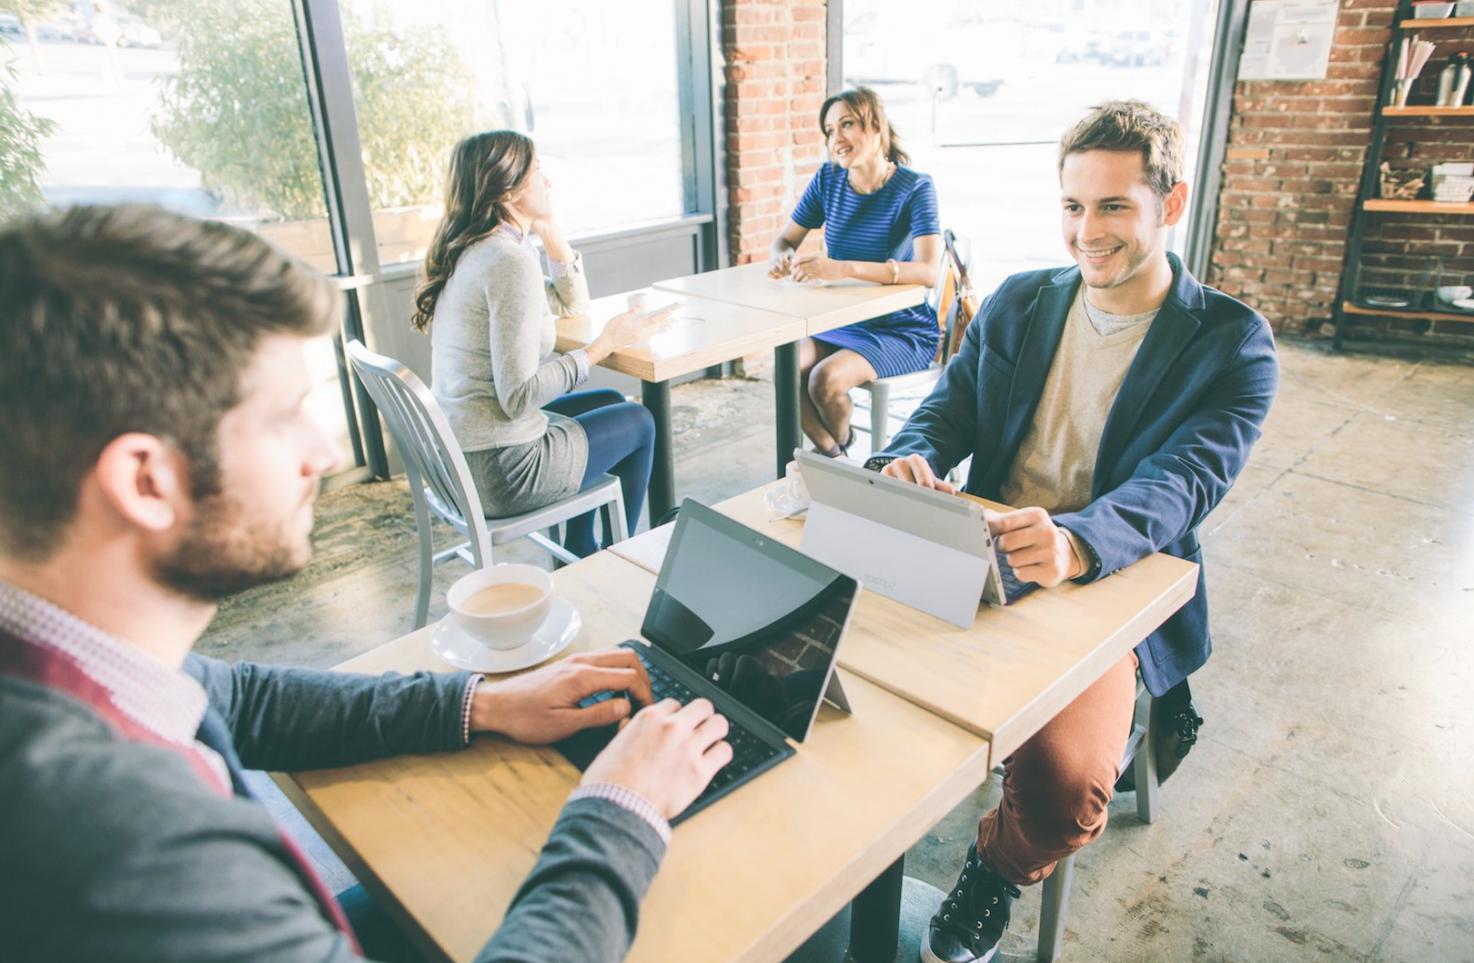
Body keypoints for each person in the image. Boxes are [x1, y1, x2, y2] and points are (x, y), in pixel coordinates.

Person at [0, 204, 732, 963]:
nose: (320, 451)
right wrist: (622, 805)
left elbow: (240, 698)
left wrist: (484, 702)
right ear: (146, 480)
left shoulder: (72, 654)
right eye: (285, 418)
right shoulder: (120, 843)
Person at [863, 101, 1280, 963]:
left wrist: (1077, 541)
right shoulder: (1022, 301)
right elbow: (945, 413)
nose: (1087, 232)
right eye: (1072, 206)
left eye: (1114, 206)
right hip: (979, 555)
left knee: (1062, 790)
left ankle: (998, 867)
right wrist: (907, 457)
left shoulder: (1233, 345)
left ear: (1172, 201)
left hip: (1106, 586)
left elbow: (1183, 485)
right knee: (831, 679)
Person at [413, 131, 674, 556]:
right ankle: (611, 561)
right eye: (537, 171)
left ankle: (580, 552)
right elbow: (518, 396)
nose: (548, 181)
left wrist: (553, 235)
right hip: (502, 472)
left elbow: (573, 305)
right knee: (640, 422)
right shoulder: (507, 262)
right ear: (508, 189)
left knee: (606, 398)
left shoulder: (479, 250)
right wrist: (604, 344)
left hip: (464, 461)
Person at [768, 87, 944, 457]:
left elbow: (928, 271)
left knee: (824, 379)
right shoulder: (828, 181)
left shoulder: (915, 188)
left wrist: (841, 268)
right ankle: (837, 454)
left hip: (901, 327)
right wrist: (780, 257)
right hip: (842, 319)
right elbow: (784, 240)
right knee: (786, 367)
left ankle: (834, 455)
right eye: (830, 131)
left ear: (876, 126)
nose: (837, 139)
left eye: (847, 124)